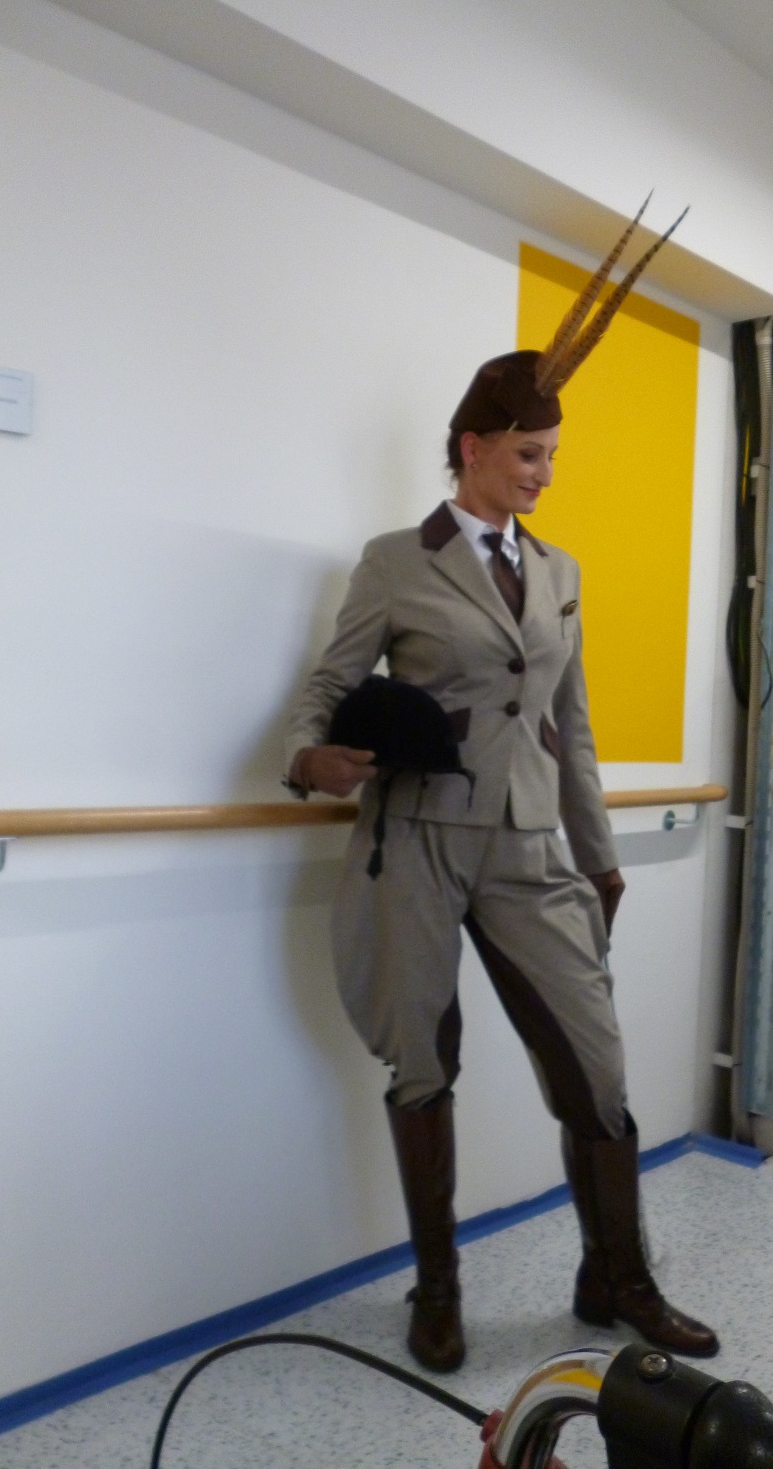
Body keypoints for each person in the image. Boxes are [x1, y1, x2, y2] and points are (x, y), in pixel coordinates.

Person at [284, 210, 718, 1371]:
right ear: (474, 446)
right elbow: (326, 688)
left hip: (529, 849)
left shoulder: (560, 572)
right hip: (418, 844)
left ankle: (617, 1277)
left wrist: (601, 856)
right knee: (423, 1065)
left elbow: (571, 730)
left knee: (598, 1070)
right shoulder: (394, 561)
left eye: (553, 458)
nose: (544, 475)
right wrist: (310, 757)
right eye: (530, 456)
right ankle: (438, 1290)